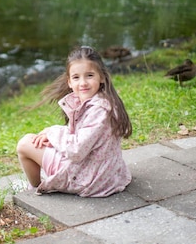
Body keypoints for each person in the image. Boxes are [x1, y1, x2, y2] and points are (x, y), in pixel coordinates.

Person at [16, 45, 132, 197]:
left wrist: (53, 133)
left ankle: (35, 186)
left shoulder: (99, 109)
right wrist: (52, 133)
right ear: (69, 82)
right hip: (104, 175)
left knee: (25, 144)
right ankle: (43, 179)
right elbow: (86, 133)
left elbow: (76, 150)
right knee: (41, 139)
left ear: (102, 77)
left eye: (89, 76)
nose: (83, 83)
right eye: (76, 77)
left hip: (89, 180)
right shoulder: (102, 101)